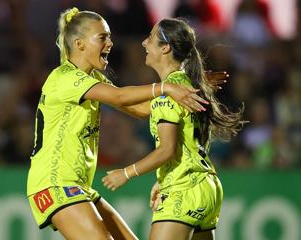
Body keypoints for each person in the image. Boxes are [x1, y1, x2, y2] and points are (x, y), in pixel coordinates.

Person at [26, 7, 216, 240]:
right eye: (102, 37)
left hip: (78, 186)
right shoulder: (64, 78)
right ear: (79, 44)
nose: (110, 43)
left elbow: (139, 110)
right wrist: (165, 87)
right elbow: (120, 97)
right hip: (54, 185)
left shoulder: (92, 79)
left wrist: (187, 89)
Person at [102, 18, 245, 240]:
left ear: (165, 47)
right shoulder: (185, 87)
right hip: (207, 187)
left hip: (183, 189)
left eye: (150, 38)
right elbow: (142, 110)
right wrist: (163, 179)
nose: (143, 43)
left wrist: (127, 173)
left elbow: (167, 149)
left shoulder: (169, 94)